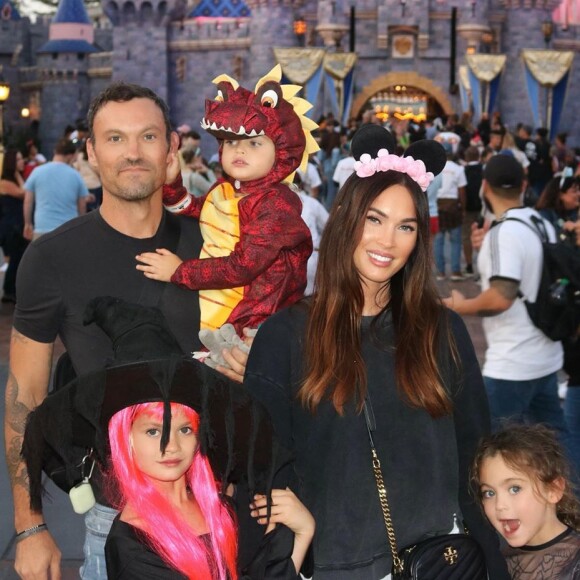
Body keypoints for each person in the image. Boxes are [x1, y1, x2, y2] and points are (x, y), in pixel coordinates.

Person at [4, 82, 250, 580]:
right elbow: (24, 396)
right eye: (115, 139)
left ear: (170, 149)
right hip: (114, 523)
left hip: (225, 507)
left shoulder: (220, 246)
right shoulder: (52, 258)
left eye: (147, 137)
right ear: (91, 152)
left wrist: (256, 364)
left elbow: (267, 350)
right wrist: (29, 526)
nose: (132, 153)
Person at [245, 124, 509, 579]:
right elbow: (262, 479)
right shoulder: (285, 337)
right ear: (347, 219)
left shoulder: (441, 331)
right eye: (374, 219)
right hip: (332, 565)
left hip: (440, 562)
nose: (387, 241)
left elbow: (475, 456)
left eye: (405, 226)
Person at [21, 297, 314, 579]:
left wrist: (303, 532)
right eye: (153, 431)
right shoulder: (133, 545)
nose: (170, 445)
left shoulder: (221, 509)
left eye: (184, 429)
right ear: (126, 438)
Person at [135, 65, 317, 337]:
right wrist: (172, 183)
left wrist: (179, 272)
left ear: (281, 152)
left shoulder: (275, 204)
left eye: (254, 143)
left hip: (255, 323)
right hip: (222, 313)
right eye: (231, 143)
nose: (239, 149)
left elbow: (243, 266)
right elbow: (197, 210)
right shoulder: (228, 190)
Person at [443, 154, 567, 444]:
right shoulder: (540, 222)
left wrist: (459, 306)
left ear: (484, 186)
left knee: (488, 444)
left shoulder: (504, 232)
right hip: (547, 356)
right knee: (555, 444)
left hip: (513, 362)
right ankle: (566, 487)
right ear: (524, 185)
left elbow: (501, 298)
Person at [473, 424, 580, 579]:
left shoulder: (575, 561)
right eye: (489, 493)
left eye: (515, 489)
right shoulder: (493, 561)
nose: (500, 505)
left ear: (553, 490)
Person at [23, 138, 90, 240]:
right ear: (69, 156)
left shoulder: (37, 172)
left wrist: (27, 223)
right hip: (69, 230)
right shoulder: (75, 175)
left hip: (42, 229)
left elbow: (28, 202)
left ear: (55, 152)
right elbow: (82, 205)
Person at [434, 141, 468, 280]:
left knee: (438, 240)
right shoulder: (458, 169)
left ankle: (441, 272)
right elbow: (462, 191)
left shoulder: (435, 169)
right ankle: (455, 271)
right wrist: (463, 208)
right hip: (453, 207)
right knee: (455, 240)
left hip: (437, 206)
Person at [0, 149, 28, 303]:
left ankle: (11, 290)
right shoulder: (4, 182)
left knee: (18, 259)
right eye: (18, 159)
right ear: (11, 163)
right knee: (16, 259)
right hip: (11, 227)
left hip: (17, 225)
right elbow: (23, 193)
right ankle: (9, 291)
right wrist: (18, 175)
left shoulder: (17, 180)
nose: (22, 161)